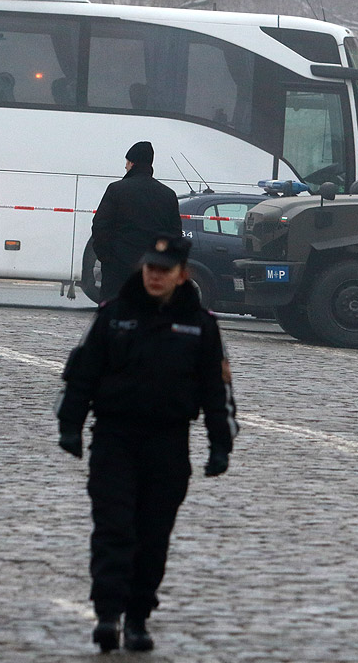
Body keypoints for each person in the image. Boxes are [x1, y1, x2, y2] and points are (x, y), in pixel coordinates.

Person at [55, 234, 238, 653]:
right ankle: (107, 615)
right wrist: (70, 425)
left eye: (164, 271)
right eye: (150, 269)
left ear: (181, 275)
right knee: (113, 529)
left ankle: (137, 618)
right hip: (114, 440)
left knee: (153, 536)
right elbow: (82, 372)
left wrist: (220, 443)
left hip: (168, 445)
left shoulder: (202, 326)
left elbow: (217, 389)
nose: (155, 277)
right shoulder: (114, 315)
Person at [91, 141, 182, 302]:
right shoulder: (168, 195)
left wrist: (106, 258)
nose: (125, 167)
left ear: (132, 163)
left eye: (126, 162)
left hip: (117, 271)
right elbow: (174, 236)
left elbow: (100, 226)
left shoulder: (116, 190)